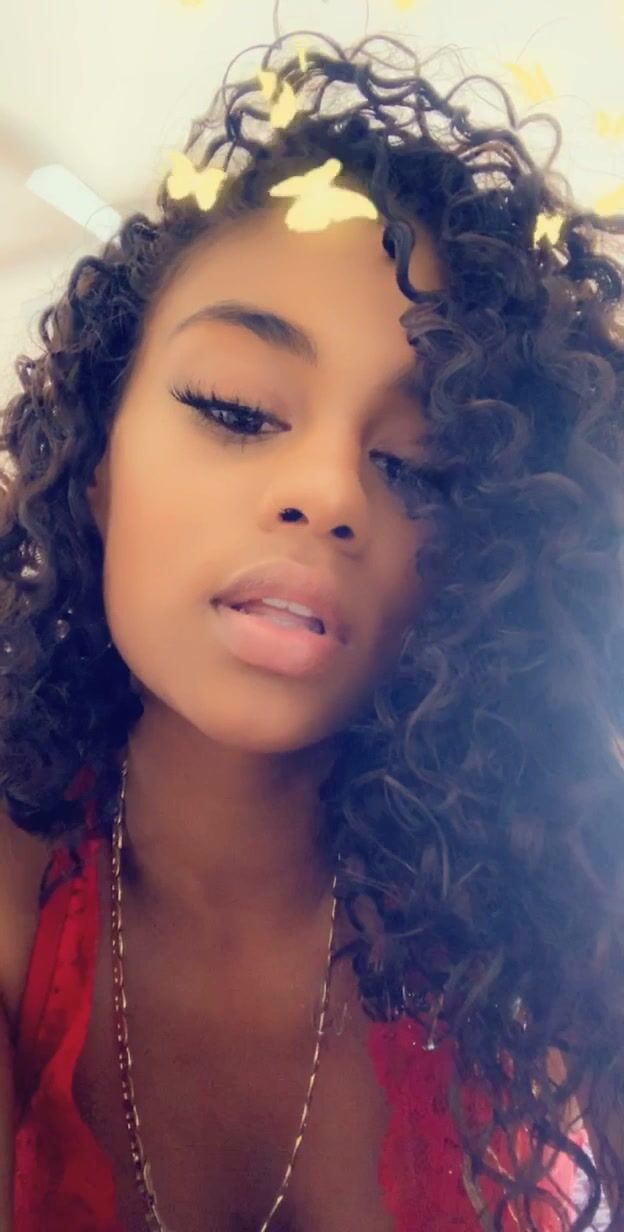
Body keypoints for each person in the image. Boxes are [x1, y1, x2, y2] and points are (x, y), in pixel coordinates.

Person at [0, 26, 623, 1232]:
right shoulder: (17, 895)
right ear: (95, 466)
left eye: (420, 466)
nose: (329, 492)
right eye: (237, 407)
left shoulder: (558, 893)